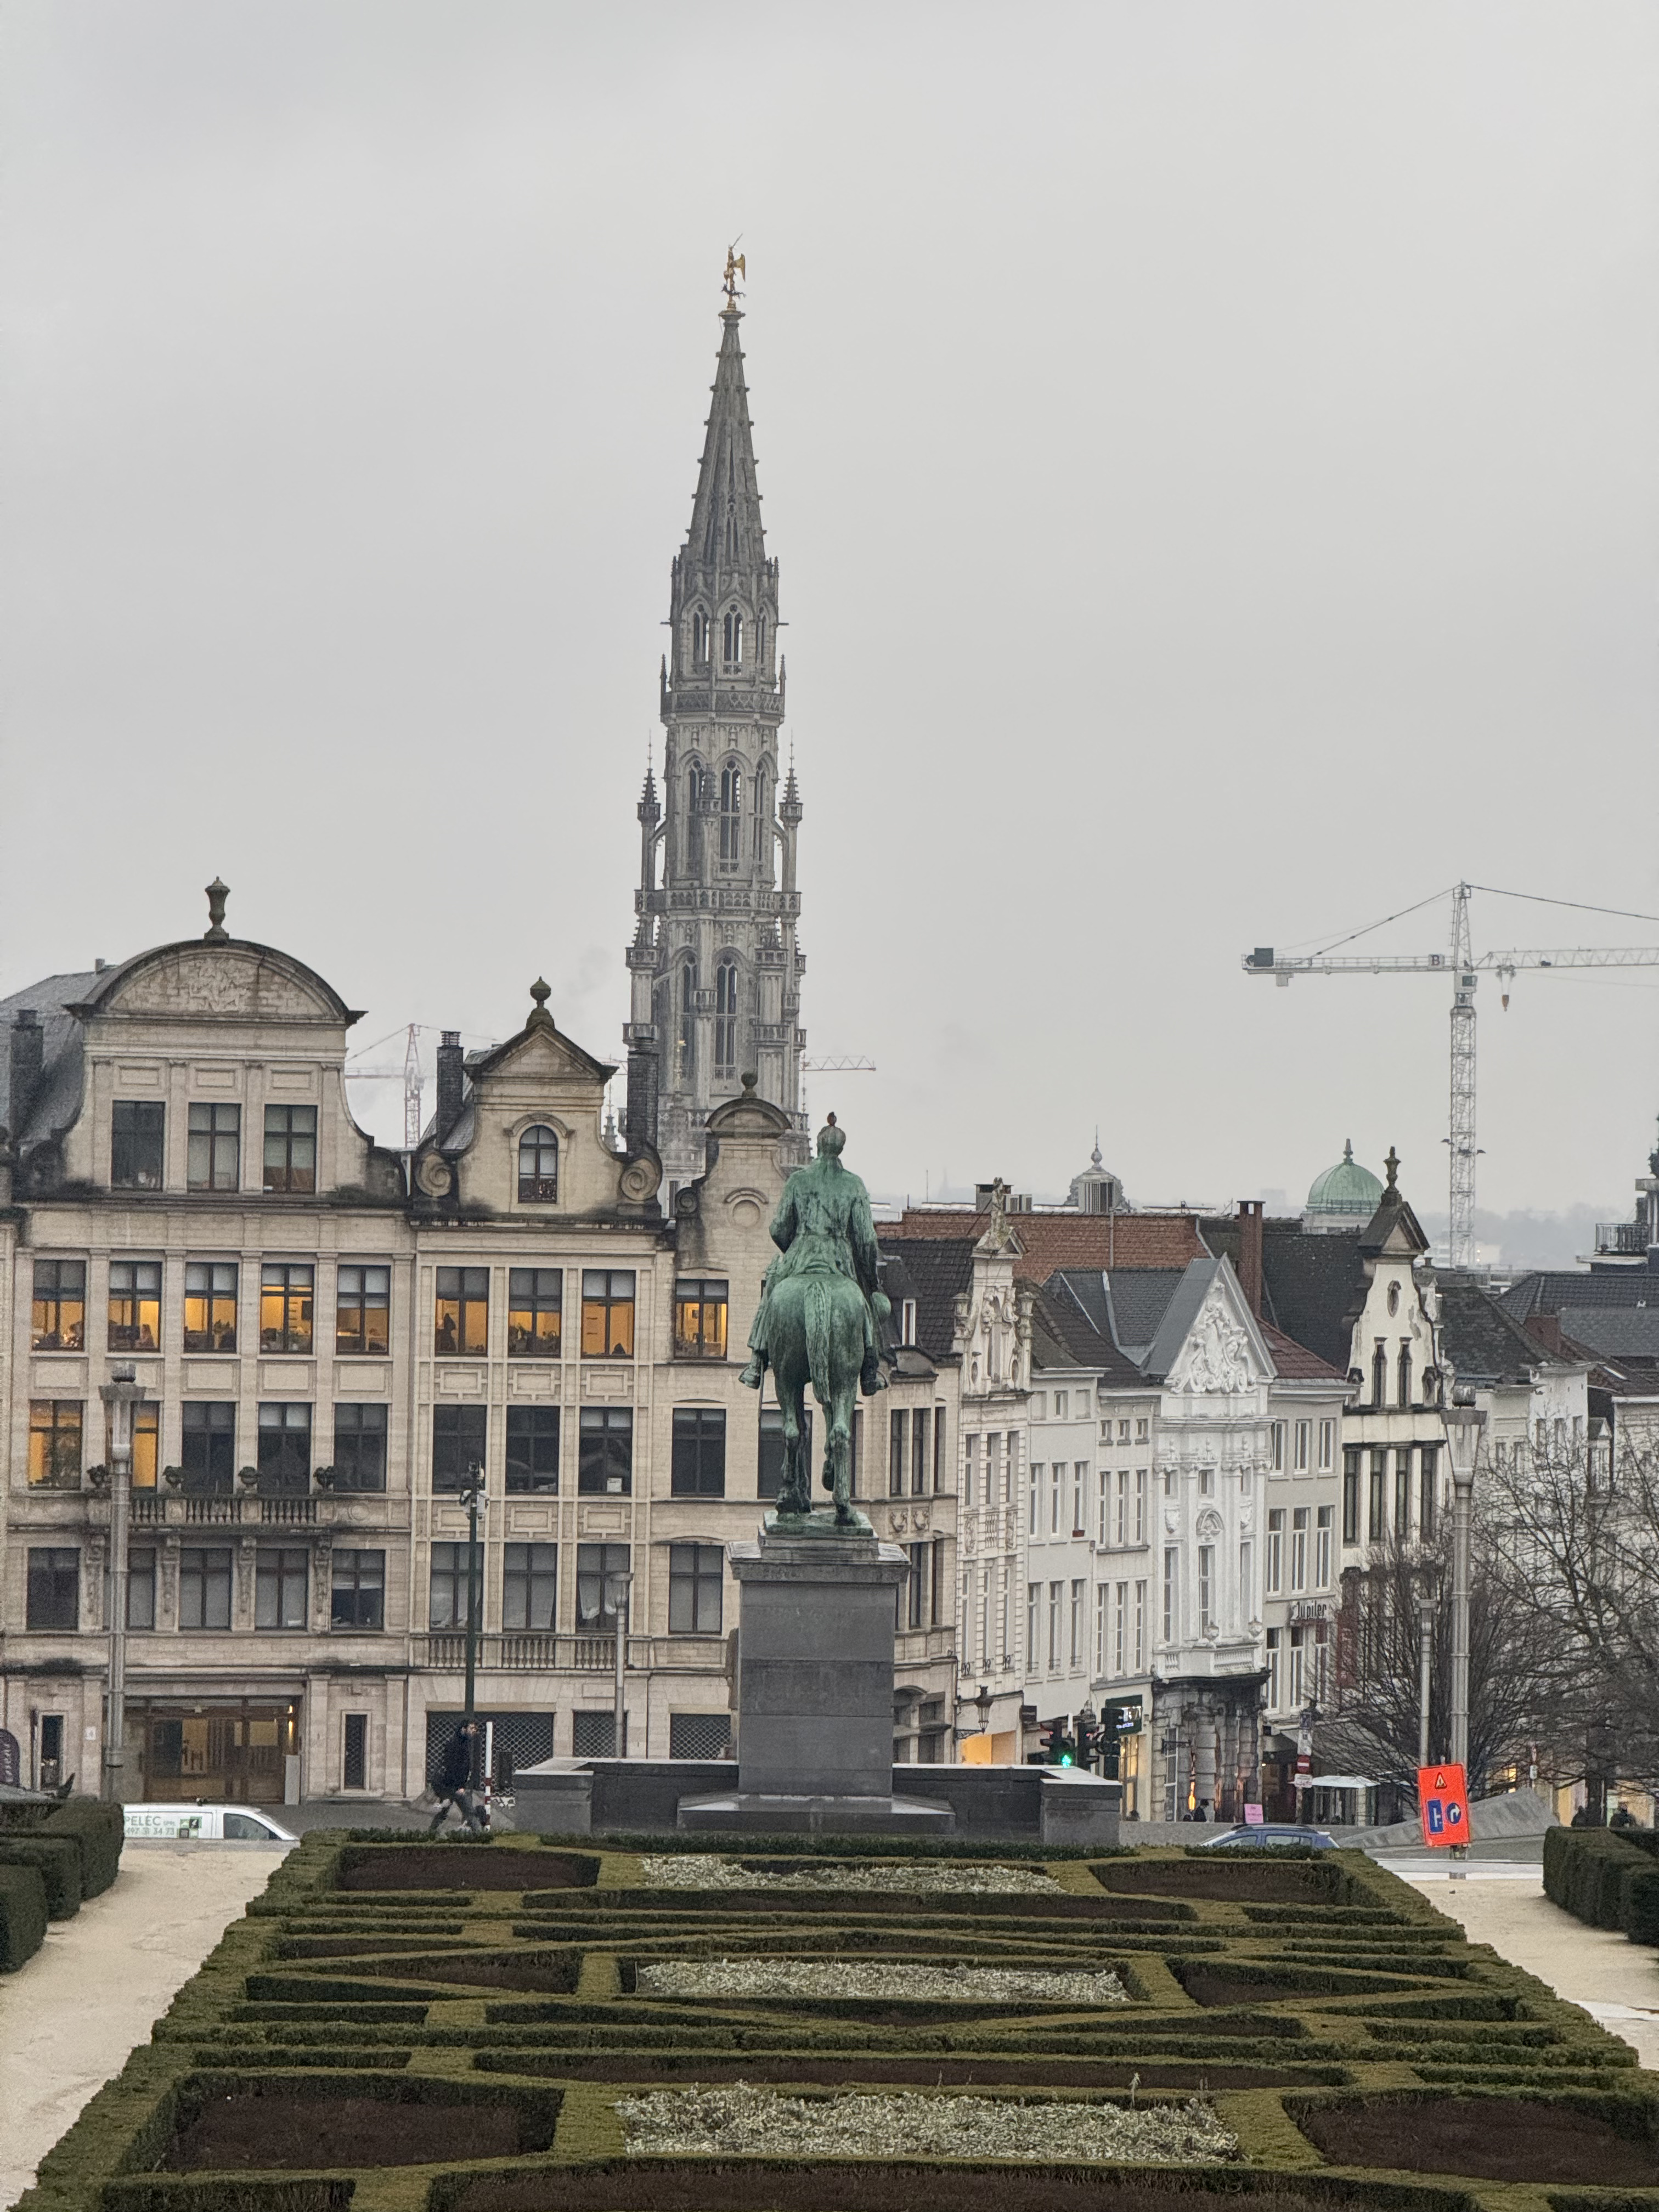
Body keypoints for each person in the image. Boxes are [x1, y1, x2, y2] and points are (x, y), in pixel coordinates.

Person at [429, 1720, 486, 1834]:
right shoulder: (456, 1745)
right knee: (469, 1812)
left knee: (445, 1812)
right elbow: (454, 1767)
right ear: (463, 1729)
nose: (474, 1731)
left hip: (452, 1786)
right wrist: (460, 1786)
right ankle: (479, 1835)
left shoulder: (463, 1744)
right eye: (471, 1728)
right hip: (454, 1787)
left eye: (475, 1729)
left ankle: (431, 1832)